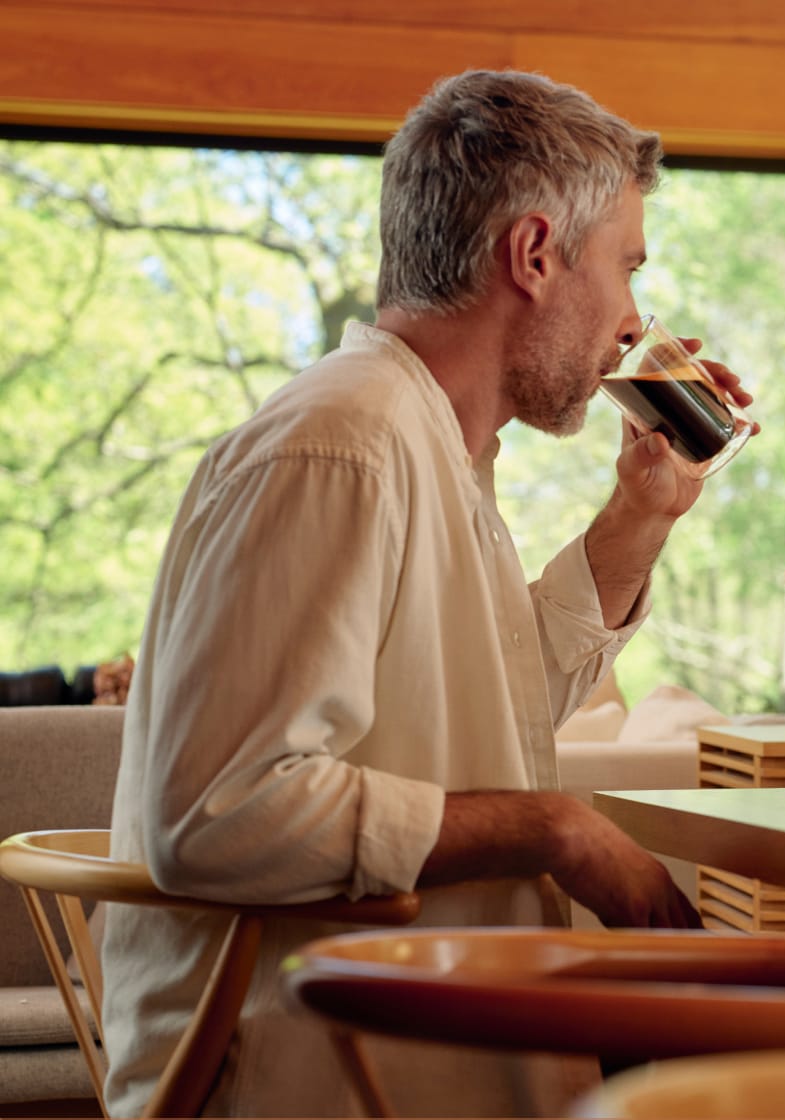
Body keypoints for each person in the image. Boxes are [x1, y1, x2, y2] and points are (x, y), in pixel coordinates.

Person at [100, 70, 744, 1116]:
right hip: (320, 1062)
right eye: (627, 269)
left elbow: (488, 705)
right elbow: (217, 814)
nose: (633, 322)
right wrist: (552, 829)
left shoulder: (431, 444)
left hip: (409, 1019)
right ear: (534, 254)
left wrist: (641, 516)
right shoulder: (340, 445)